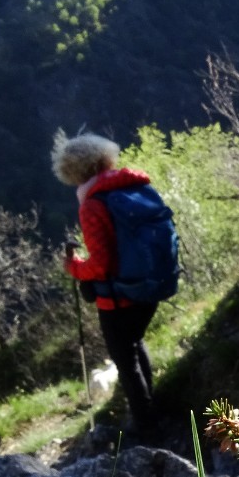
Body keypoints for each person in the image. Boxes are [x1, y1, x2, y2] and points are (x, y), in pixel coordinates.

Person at [52, 130, 162, 441]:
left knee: (125, 360)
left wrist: (73, 266)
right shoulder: (135, 187)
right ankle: (150, 409)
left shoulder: (93, 204)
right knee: (136, 343)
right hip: (151, 286)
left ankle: (145, 427)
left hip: (119, 298)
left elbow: (100, 265)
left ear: (72, 169)